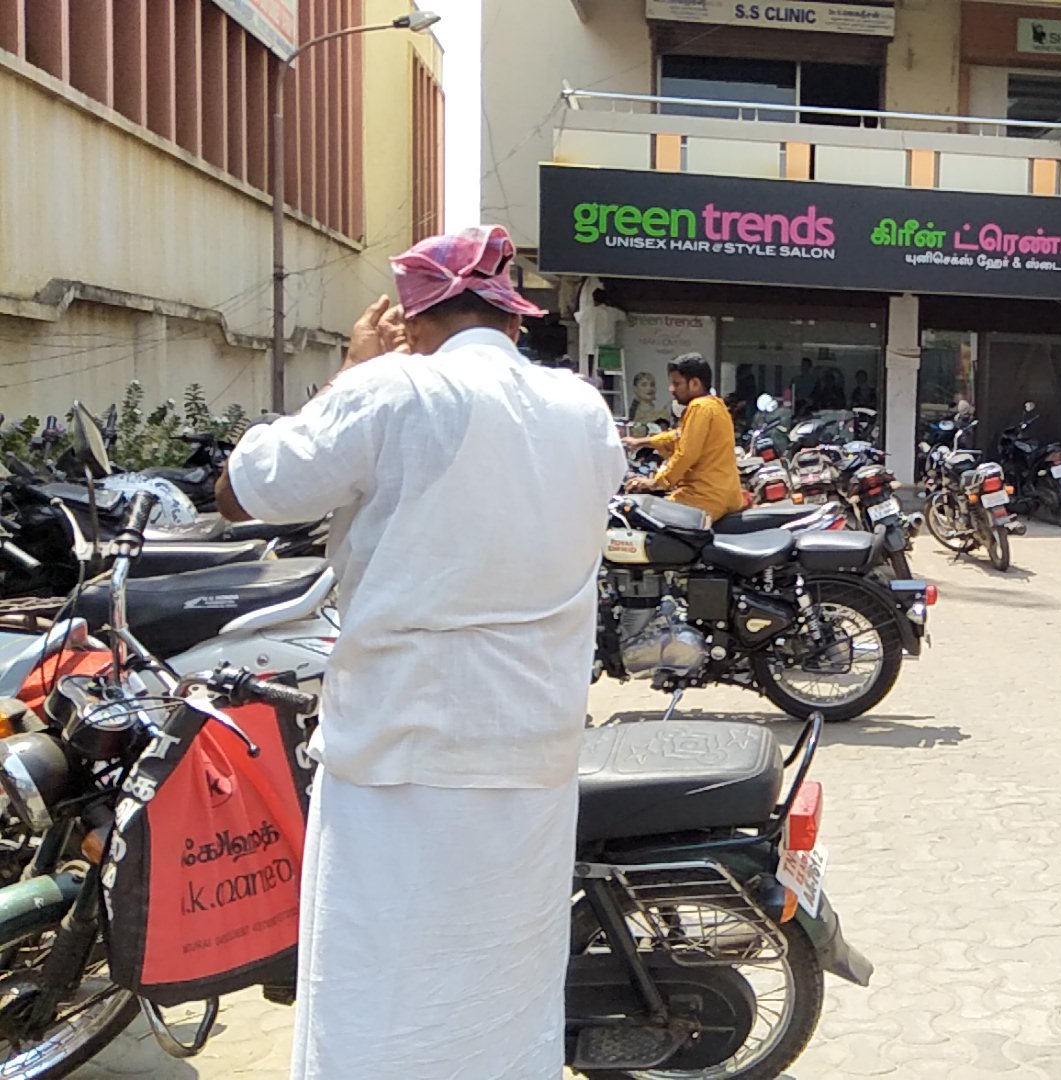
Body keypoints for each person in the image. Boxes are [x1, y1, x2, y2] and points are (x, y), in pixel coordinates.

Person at [213, 225, 627, 1080]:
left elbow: (243, 493)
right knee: (506, 989)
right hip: (532, 751)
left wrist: (355, 370)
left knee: (382, 995)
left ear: (413, 316)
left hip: (404, 752)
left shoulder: (395, 390)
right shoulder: (582, 409)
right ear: (512, 320)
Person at [624, 352, 739, 522]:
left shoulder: (699, 407)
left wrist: (656, 483)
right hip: (726, 495)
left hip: (704, 497)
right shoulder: (716, 405)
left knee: (646, 521)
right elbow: (679, 436)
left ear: (695, 383)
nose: (671, 389)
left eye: (677, 383)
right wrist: (642, 442)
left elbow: (686, 454)